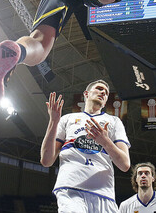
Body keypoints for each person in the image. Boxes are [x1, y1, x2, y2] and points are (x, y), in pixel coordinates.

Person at [40, 80, 131, 213]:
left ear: (106, 101)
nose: (103, 93)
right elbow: (46, 160)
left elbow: (125, 165)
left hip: (104, 192)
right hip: (70, 188)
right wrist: (53, 121)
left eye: (105, 93)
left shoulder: (114, 122)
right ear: (86, 94)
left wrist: (105, 141)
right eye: (99, 89)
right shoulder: (67, 119)